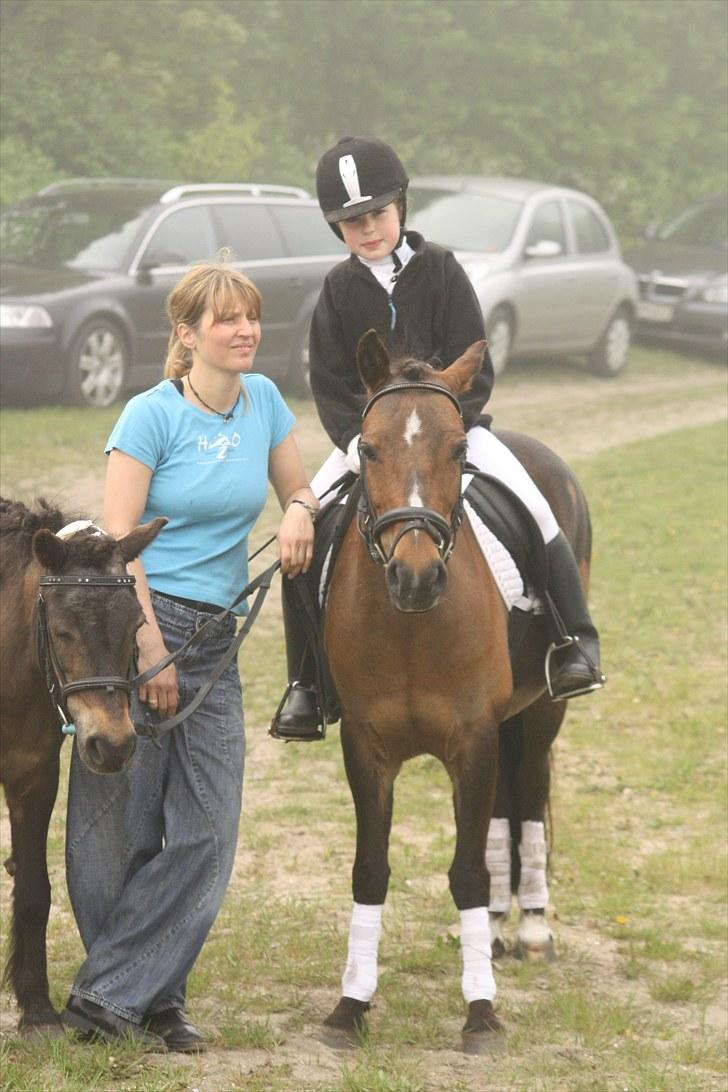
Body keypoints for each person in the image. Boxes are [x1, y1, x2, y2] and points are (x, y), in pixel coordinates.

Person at [61, 262, 318, 1051]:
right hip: (138, 630)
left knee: (208, 831)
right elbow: (116, 545)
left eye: (251, 318)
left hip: (218, 634)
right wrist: (150, 646)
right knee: (117, 832)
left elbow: (298, 488)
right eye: (226, 320)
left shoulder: (265, 403)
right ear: (186, 333)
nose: (245, 331)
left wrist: (302, 510)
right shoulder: (149, 416)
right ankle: (153, 1003)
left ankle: (112, 994)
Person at [272, 135, 603, 739]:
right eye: (351, 222)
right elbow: (330, 382)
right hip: (371, 443)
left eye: (375, 214)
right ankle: (306, 683)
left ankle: (573, 639)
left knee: (533, 502)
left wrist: (452, 427)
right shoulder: (337, 291)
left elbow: (477, 362)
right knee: (308, 530)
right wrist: (358, 438)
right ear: (337, 228)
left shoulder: (444, 270)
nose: (367, 229)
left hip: (456, 433)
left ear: (400, 205)